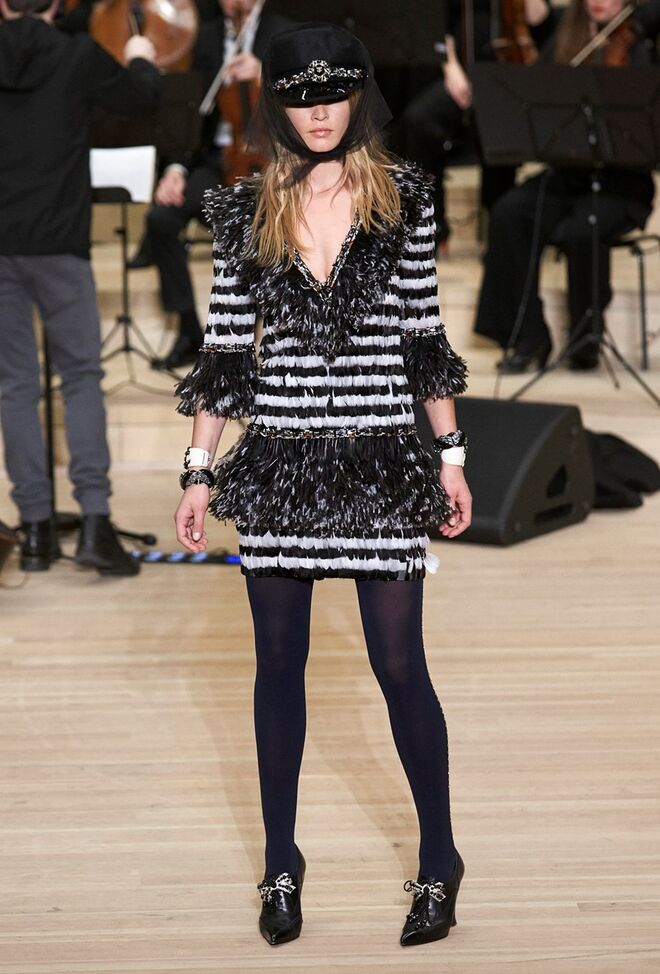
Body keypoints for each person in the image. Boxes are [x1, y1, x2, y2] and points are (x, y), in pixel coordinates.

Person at [174, 21, 472, 947]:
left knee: (399, 666)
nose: (318, 113)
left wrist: (452, 454)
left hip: (381, 464)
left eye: (333, 93)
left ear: (358, 96)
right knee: (277, 666)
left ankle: (440, 858)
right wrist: (197, 470)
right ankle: (280, 861)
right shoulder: (245, 212)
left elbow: (423, 336)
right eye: (301, 96)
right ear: (280, 103)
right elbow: (226, 351)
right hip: (280, 468)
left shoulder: (402, 201)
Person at [0, 0, 161, 573]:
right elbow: (142, 99)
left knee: (15, 386)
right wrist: (140, 58)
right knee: (82, 379)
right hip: (60, 243)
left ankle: (35, 531)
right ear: (57, 5)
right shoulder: (74, 54)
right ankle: (95, 523)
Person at [473, 0, 657, 373]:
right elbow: (534, 96)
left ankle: (586, 338)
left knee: (584, 227)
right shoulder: (564, 39)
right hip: (567, 177)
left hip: (622, 183)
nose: (600, 1)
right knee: (509, 212)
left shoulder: (640, 46)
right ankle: (527, 336)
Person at [130, 0, 294, 372]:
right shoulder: (204, 38)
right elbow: (187, 110)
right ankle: (189, 331)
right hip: (216, 159)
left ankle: (255, 340)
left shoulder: (283, 33)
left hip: (270, 162)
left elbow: (305, 100)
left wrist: (264, 73)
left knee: (259, 228)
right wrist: (175, 168)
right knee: (161, 219)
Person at [400, 0, 555, 251]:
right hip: (463, 74)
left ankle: (500, 231)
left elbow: (542, 21)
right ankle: (435, 224)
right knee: (419, 120)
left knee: (498, 128)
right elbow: (441, 27)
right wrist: (452, 70)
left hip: (508, 77)